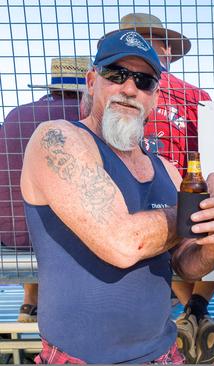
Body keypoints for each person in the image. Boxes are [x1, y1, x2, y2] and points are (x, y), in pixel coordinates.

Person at [20, 29, 214, 364]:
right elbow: (124, 243)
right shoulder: (58, 140)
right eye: (117, 74)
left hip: (163, 353)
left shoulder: (167, 170)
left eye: (144, 81)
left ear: (154, 96)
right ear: (92, 80)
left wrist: (213, 241)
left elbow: (186, 266)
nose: (129, 88)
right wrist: (195, 206)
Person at [117, 13, 214, 364]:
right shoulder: (195, 95)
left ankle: (187, 312)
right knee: (212, 235)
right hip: (187, 186)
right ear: (165, 50)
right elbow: (210, 147)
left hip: (140, 188)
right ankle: (197, 309)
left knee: (164, 244)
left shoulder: (120, 92)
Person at [1, 56, 89, 323]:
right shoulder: (86, 117)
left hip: (12, 234)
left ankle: (30, 304)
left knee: (30, 198)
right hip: (67, 237)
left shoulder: (17, 114)